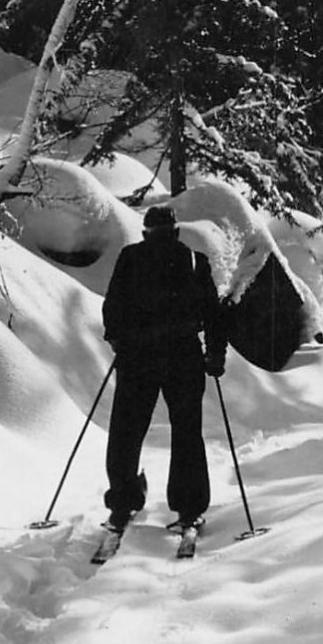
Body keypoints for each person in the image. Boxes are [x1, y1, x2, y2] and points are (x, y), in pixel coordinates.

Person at [100, 205, 229, 531]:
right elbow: (214, 313)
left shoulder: (130, 258)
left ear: (145, 232)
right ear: (175, 231)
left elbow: (112, 306)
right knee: (187, 432)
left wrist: (118, 340)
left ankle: (123, 500)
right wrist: (215, 355)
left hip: (137, 357)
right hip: (183, 356)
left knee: (126, 431)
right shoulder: (194, 261)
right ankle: (189, 507)